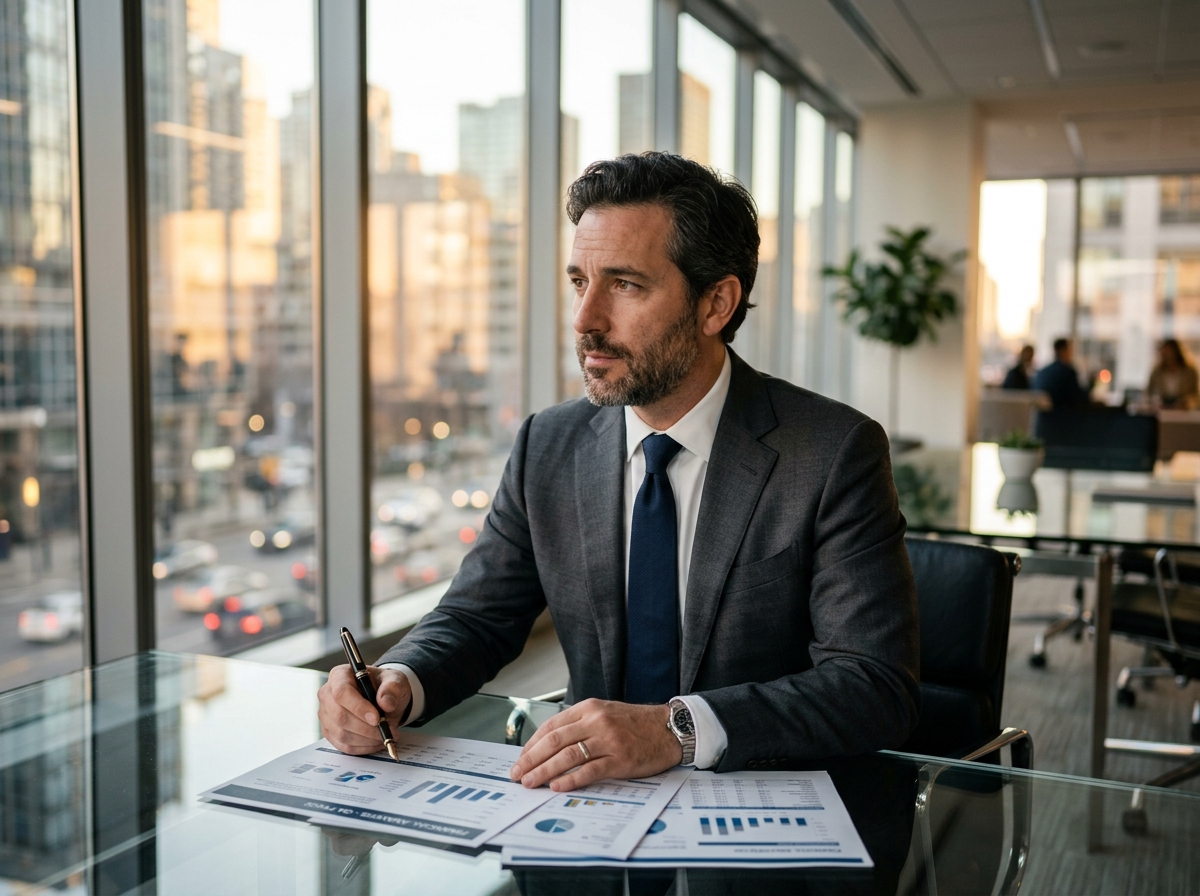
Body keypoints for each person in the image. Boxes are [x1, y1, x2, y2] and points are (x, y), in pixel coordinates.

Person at [318, 152, 920, 792]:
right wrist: (395, 682)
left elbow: (874, 685)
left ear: (716, 303)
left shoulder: (831, 452)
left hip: (757, 807)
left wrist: (675, 729)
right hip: (587, 810)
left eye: (626, 285)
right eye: (580, 282)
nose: (586, 320)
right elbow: (477, 617)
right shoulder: (548, 444)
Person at [1032, 337, 1089, 409]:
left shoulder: (1042, 372)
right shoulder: (1067, 372)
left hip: (1041, 418)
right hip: (1062, 416)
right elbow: (1078, 398)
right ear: (1063, 351)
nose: (1071, 353)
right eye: (1070, 350)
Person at [1146, 338, 1200, 410]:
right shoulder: (1156, 373)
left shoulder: (1189, 372)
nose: (1168, 356)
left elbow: (1195, 395)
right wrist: (1155, 401)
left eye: (1170, 352)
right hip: (1161, 412)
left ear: (1177, 352)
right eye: (1165, 353)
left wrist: (1188, 403)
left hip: (1184, 413)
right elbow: (1148, 394)